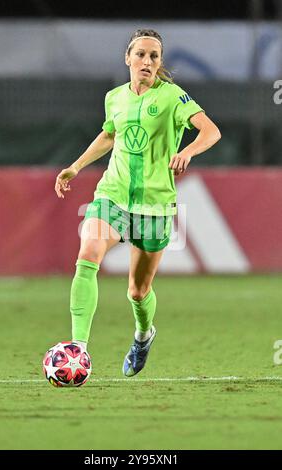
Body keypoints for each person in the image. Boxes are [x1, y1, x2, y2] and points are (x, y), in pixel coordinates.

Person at [54, 29, 221, 377]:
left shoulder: (173, 97)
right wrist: (75, 166)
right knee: (87, 257)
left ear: (159, 64)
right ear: (127, 58)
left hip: (155, 206)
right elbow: (109, 135)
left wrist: (186, 152)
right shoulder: (114, 97)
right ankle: (77, 349)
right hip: (112, 194)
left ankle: (143, 335)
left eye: (154, 57)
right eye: (141, 54)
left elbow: (210, 131)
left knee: (137, 290)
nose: (147, 61)